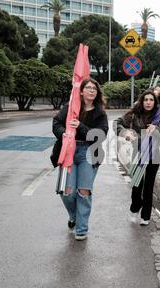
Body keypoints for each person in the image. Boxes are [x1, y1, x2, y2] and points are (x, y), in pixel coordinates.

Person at [52, 78, 109, 241]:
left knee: (83, 191)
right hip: (69, 149)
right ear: (81, 91)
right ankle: (74, 216)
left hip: (89, 152)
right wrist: (62, 132)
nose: (92, 90)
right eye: (88, 88)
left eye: (94, 88)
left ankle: (82, 229)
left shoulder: (100, 113)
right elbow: (56, 123)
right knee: (67, 192)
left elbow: (101, 135)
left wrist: (81, 127)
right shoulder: (70, 108)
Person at [116, 89, 160, 226]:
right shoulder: (134, 114)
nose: (148, 102)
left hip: (154, 154)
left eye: (151, 100)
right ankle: (135, 207)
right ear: (142, 101)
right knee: (137, 185)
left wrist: (157, 128)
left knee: (148, 187)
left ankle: (145, 216)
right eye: (146, 99)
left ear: (155, 102)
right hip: (137, 153)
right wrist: (126, 133)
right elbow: (117, 123)